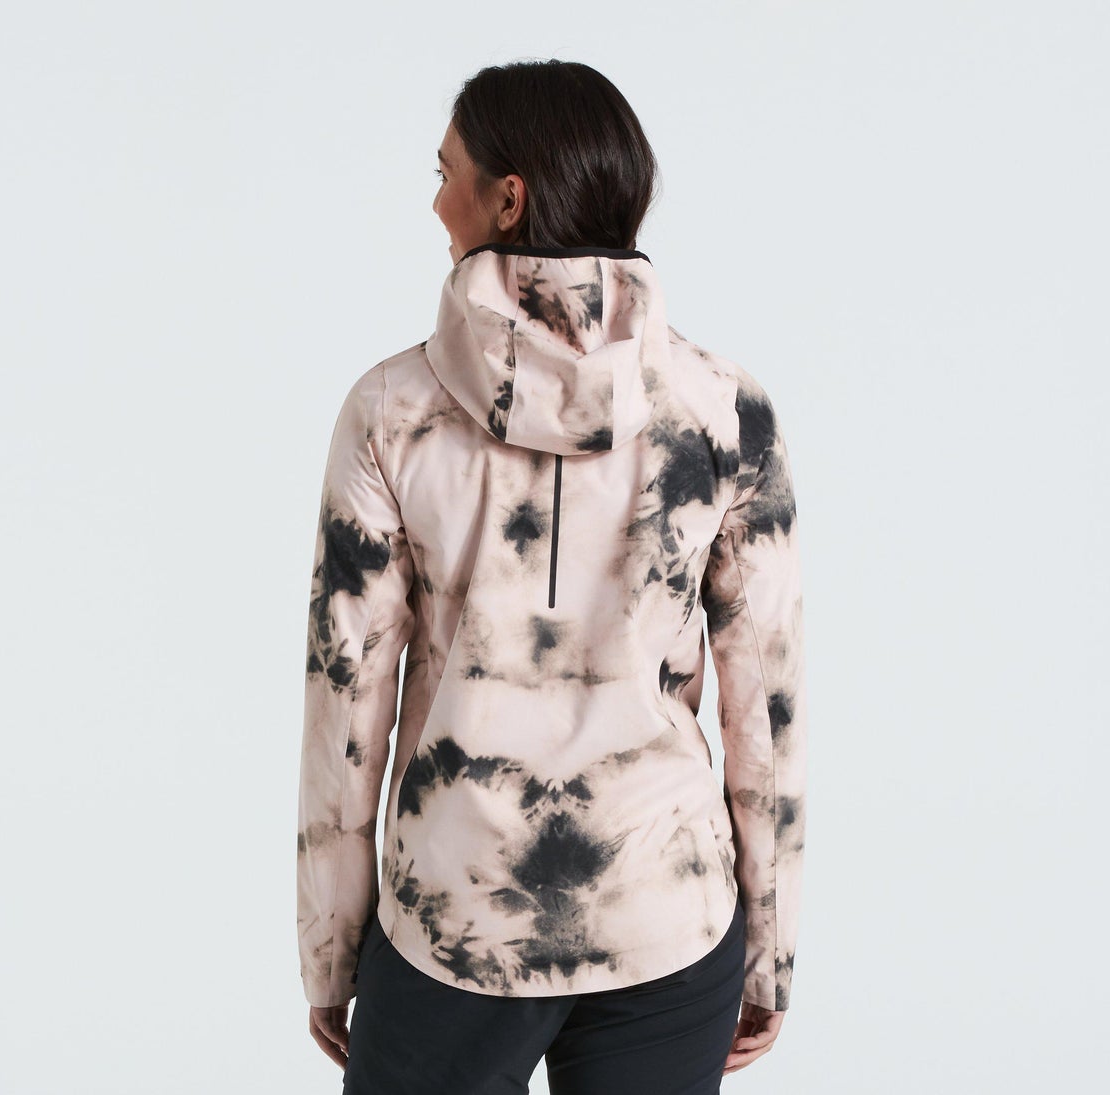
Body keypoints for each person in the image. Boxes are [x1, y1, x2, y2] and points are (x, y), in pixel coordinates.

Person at [297, 58, 808, 1094]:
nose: (432, 200)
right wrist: (770, 944)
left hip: (454, 916)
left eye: (444, 172)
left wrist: (330, 950)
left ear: (507, 199)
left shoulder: (389, 412)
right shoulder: (724, 410)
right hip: (666, 911)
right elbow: (766, 704)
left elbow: (346, 704)